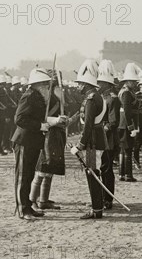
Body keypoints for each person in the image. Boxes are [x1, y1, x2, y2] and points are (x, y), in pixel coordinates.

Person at [12, 68, 66, 220]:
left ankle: (28, 206)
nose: (48, 87)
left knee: (29, 176)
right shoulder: (29, 96)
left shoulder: (39, 97)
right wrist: (40, 126)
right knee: (22, 177)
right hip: (24, 141)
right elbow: (20, 119)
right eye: (45, 84)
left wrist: (55, 120)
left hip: (33, 141)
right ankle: (22, 209)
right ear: (38, 84)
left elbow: (40, 117)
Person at [70, 59, 108, 219]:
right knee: (93, 172)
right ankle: (96, 205)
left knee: (92, 173)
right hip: (95, 139)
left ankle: (97, 209)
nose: (78, 86)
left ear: (85, 84)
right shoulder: (96, 96)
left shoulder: (91, 99)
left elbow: (88, 125)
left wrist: (80, 144)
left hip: (92, 141)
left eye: (79, 83)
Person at [97, 59, 120, 209]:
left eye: (101, 82)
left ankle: (107, 199)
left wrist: (99, 129)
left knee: (106, 168)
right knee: (100, 168)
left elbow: (113, 122)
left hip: (108, 139)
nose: (98, 85)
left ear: (107, 83)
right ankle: (101, 196)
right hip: (101, 137)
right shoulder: (102, 97)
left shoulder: (112, 99)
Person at [118, 63, 139, 182]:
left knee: (124, 149)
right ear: (128, 81)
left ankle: (122, 173)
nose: (135, 83)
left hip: (124, 123)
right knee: (128, 149)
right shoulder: (126, 93)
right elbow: (127, 110)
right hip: (127, 123)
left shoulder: (127, 91)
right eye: (133, 81)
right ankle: (128, 174)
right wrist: (131, 126)